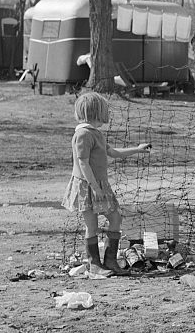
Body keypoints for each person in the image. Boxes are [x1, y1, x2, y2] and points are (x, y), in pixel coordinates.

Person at [61, 92, 151, 278]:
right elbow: (83, 163)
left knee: (115, 218)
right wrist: (95, 187)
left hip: (100, 185)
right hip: (89, 187)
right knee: (92, 225)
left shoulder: (96, 134)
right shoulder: (83, 134)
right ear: (97, 112)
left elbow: (113, 152)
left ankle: (110, 261)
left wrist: (137, 149)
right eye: (104, 109)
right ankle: (95, 265)